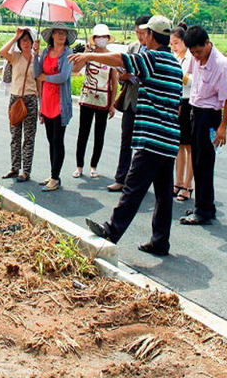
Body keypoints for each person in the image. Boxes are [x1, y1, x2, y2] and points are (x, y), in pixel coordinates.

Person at [78, 15, 183, 256]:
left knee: (133, 188)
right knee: (163, 195)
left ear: (152, 36)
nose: (142, 37)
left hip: (152, 138)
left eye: (145, 33)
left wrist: (89, 55)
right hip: (168, 138)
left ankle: (112, 230)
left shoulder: (152, 58)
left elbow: (122, 59)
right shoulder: (174, 64)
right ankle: (160, 241)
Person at [180, 26, 227, 226]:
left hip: (209, 116)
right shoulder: (196, 58)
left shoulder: (221, 65)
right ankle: (202, 206)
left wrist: (223, 127)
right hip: (195, 111)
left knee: (204, 164)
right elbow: (191, 79)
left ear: (208, 43)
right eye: (192, 53)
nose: (196, 56)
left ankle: (204, 210)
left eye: (199, 52)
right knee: (197, 161)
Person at [108, 15, 151, 191]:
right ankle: (121, 178)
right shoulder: (132, 47)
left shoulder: (155, 52)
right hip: (129, 101)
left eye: (142, 33)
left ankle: (138, 181)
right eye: (137, 32)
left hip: (146, 104)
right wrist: (123, 76)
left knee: (143, 146)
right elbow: (121, 71)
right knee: (126, 141)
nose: (140, 36)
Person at [74, 24, 119, 179]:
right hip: (87, 97)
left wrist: (112, 104)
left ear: (107, 39)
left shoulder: (112, 57)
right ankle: (79, 166)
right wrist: (85, 54)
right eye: (98, 37)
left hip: (103, 100)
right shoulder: (89, 55)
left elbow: (115, 82)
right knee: (83, 133)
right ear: (93, 39)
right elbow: (75, 69)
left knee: (99, 134)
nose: (101, 40)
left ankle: (93, 166)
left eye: (104, 37)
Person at [34, 23, 75, 191]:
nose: (60, 36)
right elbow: (36, 74)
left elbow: (63, 76)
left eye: (63, 33)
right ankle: (53, 174)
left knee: (58, 140)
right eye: (57, 33)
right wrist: (35, 55)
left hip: (60, 103)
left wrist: (46, 78)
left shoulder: (68, 54)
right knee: (51, 141)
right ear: (52, 35)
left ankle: (55, 177)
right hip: (47, 101)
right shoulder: (46, 52)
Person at [0, 27, 39, 182]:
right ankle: (15, 168)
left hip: (30, 99)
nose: (26, 43)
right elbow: (2, 51)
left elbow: (40, 81)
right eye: (23, 41)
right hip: (15, 99)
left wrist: (38, 52)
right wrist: (15, 37)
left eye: (28, 40)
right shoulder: (15, 57)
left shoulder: (37, 59)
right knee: (15, 135)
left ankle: (26, 170)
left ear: (32, 42)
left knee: (29, 137)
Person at [170, 27, 195, 202]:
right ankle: (177, 182)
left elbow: (193, 81)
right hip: (177, 102)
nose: (174, 47)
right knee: (178, 146)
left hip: (189, 102)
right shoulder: (175, 57)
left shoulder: (192, 58)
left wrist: (181, 76)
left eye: (176, 43)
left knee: (190, 147)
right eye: (171, 44)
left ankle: (188, 185)